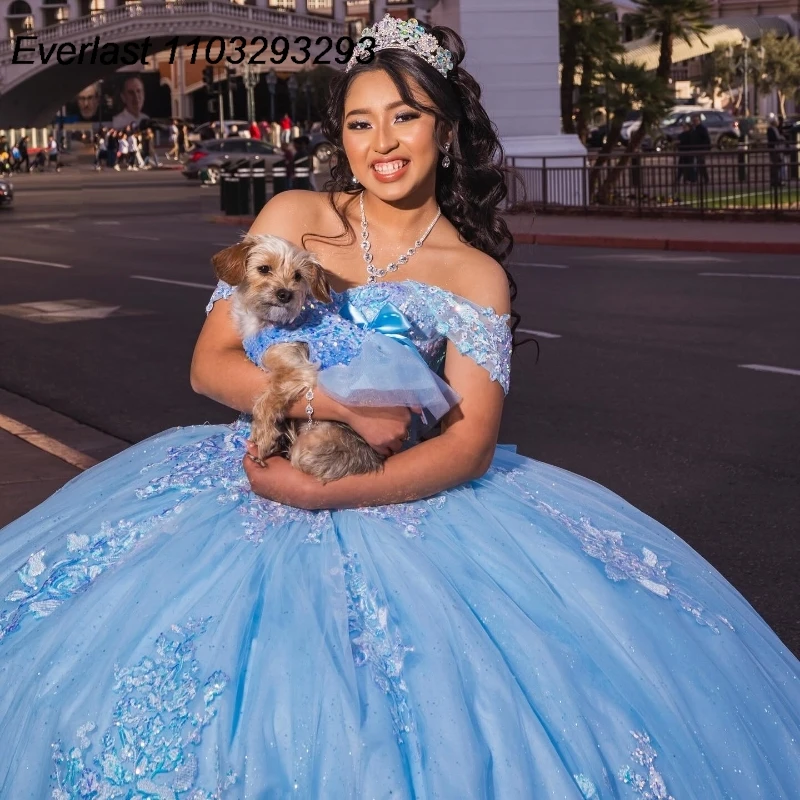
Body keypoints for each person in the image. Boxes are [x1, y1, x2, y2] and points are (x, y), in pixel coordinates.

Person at [1, 15, 798, 797]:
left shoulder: (473, 273)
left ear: (444, 129)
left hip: (394, 499)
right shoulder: (294, 218)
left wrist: (328, 489)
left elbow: (470, 444)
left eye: (404, 117)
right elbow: (209, 365)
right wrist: (334, 402)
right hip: (252, 478)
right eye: (359, 122)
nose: (380, 143)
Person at [689, 113, 711, 187]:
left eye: (696, 120)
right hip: (695, 149)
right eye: (694, 121)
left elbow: (706, 139)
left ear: (699, 121)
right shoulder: (693, 129)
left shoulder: (702, 129)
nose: (695, 122)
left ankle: (696, 180)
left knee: (699, 165)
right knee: (700, 165)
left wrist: (706, 148)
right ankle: (703, 179)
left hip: (701, 149)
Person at [767, 114, 785, 187]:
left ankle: (778, 180)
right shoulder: (771, 129)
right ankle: (775, 181)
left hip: (776, 149)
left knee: (778, 166)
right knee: (776, 166)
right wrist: (782, 138)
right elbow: (775, 138)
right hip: (774, 150)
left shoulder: (774, 128)